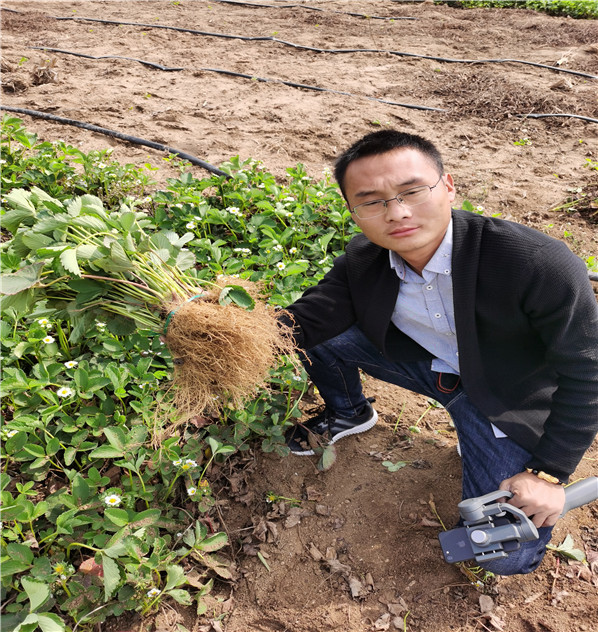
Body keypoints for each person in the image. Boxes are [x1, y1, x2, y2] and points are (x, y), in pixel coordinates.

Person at [279, 129, 598, 575]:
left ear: (448, 186)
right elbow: (312, 316)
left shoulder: (535, 262)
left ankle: (490, 444)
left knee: (509, 555)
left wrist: (549, 474)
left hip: (508, 399)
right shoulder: (364, 259)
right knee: (320, 336)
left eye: (412, 191)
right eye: (372, 201)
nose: (398, 212)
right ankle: (349, 412)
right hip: (432, 367)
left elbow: (588, 373)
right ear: (353, 212)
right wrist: (228, 330)